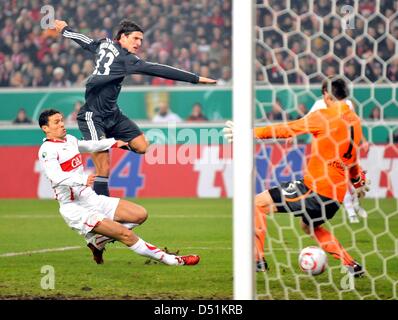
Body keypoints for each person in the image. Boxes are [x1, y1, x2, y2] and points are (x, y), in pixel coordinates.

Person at [223, 77, 370, 276]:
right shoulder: (355, 121)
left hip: (316, 189)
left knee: (257, 203)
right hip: (335, 196)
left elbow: (288, 129)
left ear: (327, 95)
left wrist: (249, 133)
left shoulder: (323, 116)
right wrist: (358, 180)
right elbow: (351, 158)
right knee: (309, 226)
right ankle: (351, 265)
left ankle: (258, 260)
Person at [53, 19, 216, 198]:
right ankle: (104, 211)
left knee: (142, 146)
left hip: (113, 114)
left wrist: (66, 30)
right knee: (104, 168)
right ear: (123, 37)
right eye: (136, 38)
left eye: (141, 40)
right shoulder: (126, 59)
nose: (139, 43)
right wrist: (195, 78)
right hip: (92, 116)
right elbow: (157, 69)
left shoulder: (104, 44)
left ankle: (107, 142)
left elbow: (86, 42)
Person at [38, 109, 200, 266]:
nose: (62, 124)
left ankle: (98, 241)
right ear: (45, 128)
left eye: (62, 120)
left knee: (140, 214)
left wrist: (114, 142)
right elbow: (55, 176)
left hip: (90, 198)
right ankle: (171, 260)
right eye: (56, 122)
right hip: (75, 208)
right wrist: (81, 178)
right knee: (126, 234)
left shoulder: (70, 140)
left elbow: (89, 145)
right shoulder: (47, 150)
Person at [307, 78, 368, 224]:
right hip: (328, 148)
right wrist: (292, 133)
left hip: (346, 146)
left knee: (354, 179)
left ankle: (356, 205)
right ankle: (351, 211)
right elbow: (307, 120)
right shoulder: (319, 104)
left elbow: (354, 123)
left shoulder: (348, 104)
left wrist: (363, 140)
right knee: (341, 179)